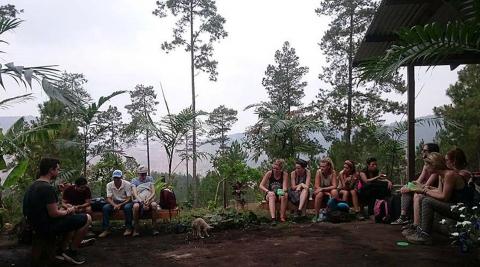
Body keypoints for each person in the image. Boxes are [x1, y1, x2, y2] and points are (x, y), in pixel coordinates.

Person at [23, 158, 91, 265]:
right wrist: (69, 210)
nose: (58, 172)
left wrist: (60, 196)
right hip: (47, 226)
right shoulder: (47, 188)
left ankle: (62, 249)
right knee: (87, 218)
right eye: (58, 170)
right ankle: (71, 251)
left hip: (34, 224)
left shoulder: (33, 186)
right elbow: (54, 213)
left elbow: (43, 207)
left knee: (71, 217)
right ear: (51, 170)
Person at [405, 152, 468, 244]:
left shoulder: (449, 175)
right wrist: (424, 189)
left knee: (427, 201)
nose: (425, 167)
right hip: (452, 206)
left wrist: (424, 191)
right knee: (422, 198)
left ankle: (425, 236)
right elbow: (439, 191)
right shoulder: (441, 175)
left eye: (427, 164)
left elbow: (444, 197)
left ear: (434, 164)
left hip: (462, 210)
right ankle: (420, 231)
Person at [391, 143, 440, 225]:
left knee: (416, 194)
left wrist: (410, 188)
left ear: (432, 153)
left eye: (424, 151)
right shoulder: (426, 165)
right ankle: (403, 217)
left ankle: (416, 225)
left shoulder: (437, 166)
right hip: (424, 188)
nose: (422, 152)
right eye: (422, 150)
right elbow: (418, 181)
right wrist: (408, 186)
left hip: (432, 190)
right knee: (404, 191)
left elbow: (427, 185)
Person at [98, 170, 134, 238]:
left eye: (118, 178)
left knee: (127, 208)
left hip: (125, 202)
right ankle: (106, 229)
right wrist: (114, 205)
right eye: (115, 178)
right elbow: (108, 198)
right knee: (105, 208)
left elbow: (129, 198)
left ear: (121, 177)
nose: (116, 179)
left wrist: (120, 205)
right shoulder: (109, 185)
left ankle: (129, 228)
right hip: (114, 202)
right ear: (113, 178)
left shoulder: (127, 184)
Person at [131, 165, 159, 237]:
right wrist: (142, 201)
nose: (143, 176)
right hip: (139, 199)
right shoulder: (134, 180)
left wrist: (148, 200)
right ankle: (136, 228)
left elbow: (153, 192)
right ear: (138, 174)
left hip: (149, 198)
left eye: (144, 174)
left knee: (154, 205)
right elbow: (135, 193)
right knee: (135, 206)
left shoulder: (150, 179)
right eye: (141, 174)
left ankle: (154, 228)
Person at [259, 159, 289, 225]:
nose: (275, 170)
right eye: (274, 168)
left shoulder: (284, 174)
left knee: (285, 195)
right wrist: (267, 191)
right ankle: (273, 219)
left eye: (277, 169)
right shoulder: (269, 173)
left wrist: (280, 192)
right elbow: (261, 185)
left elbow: (285, 188)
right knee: (272, 195)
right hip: (270, 194)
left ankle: (282, 217)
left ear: (281, 169)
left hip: (279, 193)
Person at [313, 158, 338, 222]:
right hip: (319, 191)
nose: (321, 168)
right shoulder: (318, 172)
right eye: (320, 166)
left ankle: (333, 214)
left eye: (323, 166)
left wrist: (323, 189)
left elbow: (334, 186)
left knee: (334, 191)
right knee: (319, 194)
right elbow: (317, 186)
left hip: (328, 190)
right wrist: (325, 192)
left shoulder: (333, 172)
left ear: (328, 166)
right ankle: (316, 215)